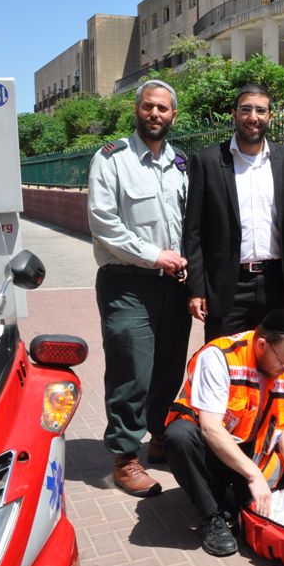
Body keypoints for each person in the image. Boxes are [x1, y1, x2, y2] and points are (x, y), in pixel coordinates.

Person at [88, 79, 192, 497]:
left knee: (169, 368)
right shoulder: (111, 159)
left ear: (173, 115)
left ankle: (160, 437)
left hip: (173, 284)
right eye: (148, 106)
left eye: (163, 108)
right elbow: (104, 223)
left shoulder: (181, 163)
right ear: (137, 109)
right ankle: (125, 457)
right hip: (127, 283)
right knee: (131, 372)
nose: (155, 114)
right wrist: (155, 255)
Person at [163, 309, 284, 557]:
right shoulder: (219, 357)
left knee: (278, 501)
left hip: (249, 450)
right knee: (179, 436)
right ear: (262, 344)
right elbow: (210, 428)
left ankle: (231, 500)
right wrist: (253, 475)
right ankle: (211, 517)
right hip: (212, 447)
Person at [184, 83, 284, 341]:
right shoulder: (207, 161)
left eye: (260, 110)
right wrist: (196, 289)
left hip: (277, 284)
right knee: (224, 360)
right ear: (234, 113)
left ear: (270, 116)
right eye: (245, 110)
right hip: (227, 287)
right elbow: (194, 231)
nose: (253, 117)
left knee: (275, 360)